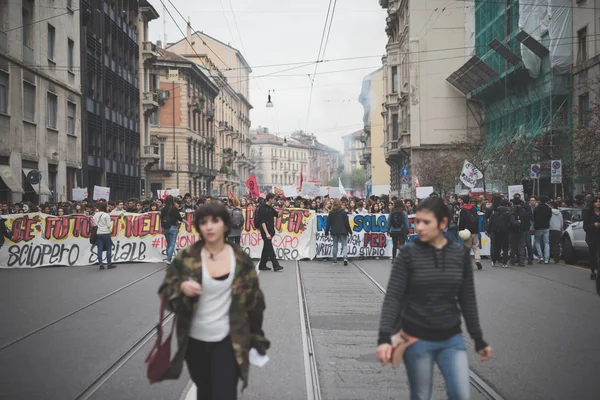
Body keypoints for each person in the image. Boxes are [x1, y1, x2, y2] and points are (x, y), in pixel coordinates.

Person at [376, 196, 492, 400]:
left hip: (451, 339)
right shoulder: (407, 254)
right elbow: (393, 298)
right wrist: (385, 338)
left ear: (443, 223)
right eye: (417, 221)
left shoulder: (459, 255)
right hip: (416, 339)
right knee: (421, 396)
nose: (419, 227)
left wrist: (478, 339)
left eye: (426, 222)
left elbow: (467, 300)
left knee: (460, 394)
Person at [157, 203, 269, 399]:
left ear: (225, 225)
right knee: (205, 390)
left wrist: (256, 338)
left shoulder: (240, 259)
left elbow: (255, 302)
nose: (209, 226)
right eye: (203, 222)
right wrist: (181, 288)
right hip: (195, 341)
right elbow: (166, 293)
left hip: (230, 339)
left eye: (215, 221)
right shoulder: (187, 258)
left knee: (225, 391)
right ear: (198, 227)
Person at [255, 194, 285, 272]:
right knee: (270, 248)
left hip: (270, 230)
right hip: (265, 231)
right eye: (274, 199)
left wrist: (283, 208)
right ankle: (276, 265)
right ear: (270, 199)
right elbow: (262, 222)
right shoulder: (262, 208)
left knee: (266, 248)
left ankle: (262, 265)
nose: (275, 200)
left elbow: (278, 215)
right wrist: (267, 233)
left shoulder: (270, 208)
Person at [487, 199, 515, 268]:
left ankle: (493, 260)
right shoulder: (508, 213)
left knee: (496, 246)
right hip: (505, 231)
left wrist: (488, 230)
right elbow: (512, 222)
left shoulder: (495, 212)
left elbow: (490, 222)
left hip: (495, 231)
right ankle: (505, 262)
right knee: (505, 247)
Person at [458, 196, 482, 270]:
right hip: (474, 229)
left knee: (467, 247)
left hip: (466, 230)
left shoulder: (463, 210)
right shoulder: (474, 208)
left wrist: (460, 230)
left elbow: (461, 221)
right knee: (476, 246)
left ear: (462, 201)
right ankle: (478, 260)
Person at [325, 200, 352, 265]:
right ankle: (345, 258)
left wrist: (326, 231)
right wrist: (350, 231)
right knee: (344, 245)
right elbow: (346, 223)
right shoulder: (343, 212)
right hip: (343, 231)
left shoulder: (331, 213)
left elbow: (328, 223)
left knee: (335, 245)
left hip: (334, 231)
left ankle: (334, 260)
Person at [161, 195, 184, 265]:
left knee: (168, 244)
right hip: (173, 227)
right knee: (172, 244)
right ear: (173, 201)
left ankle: (168, 257)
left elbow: (161, 219)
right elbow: (179, 218)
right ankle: (169, 259)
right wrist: (184, 221)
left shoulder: (163, 209)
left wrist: (162, 227)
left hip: (165, 228)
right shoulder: (174, 209)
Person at [583, 196, 600, 285]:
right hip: (591, 237)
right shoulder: (588, 213)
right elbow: (585, 227)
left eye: (599, 201)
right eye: (596, 201)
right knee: (593, 255)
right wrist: (594, 225)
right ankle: (593, 271)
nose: (598, 203)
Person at [92, 202, 115, 270]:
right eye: (107, 206)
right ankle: (109, 264)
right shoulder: (106, 215)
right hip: (105, 233)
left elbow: (94, 224)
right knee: (108, 248)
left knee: (100, 249)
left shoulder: (95, 215)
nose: (108, 207)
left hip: (98, 233)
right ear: (105, 207)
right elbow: (108, 225)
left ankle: (101, 264)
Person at [533, 196, 552, 264]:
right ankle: (547, 258)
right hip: (546, 227)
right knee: (546, 242)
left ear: (539, 201)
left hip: (538, 227)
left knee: (537, 241)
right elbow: (549, 217)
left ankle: (540, 256)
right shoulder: (549, 209)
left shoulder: (536, 209)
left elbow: (534, 217)